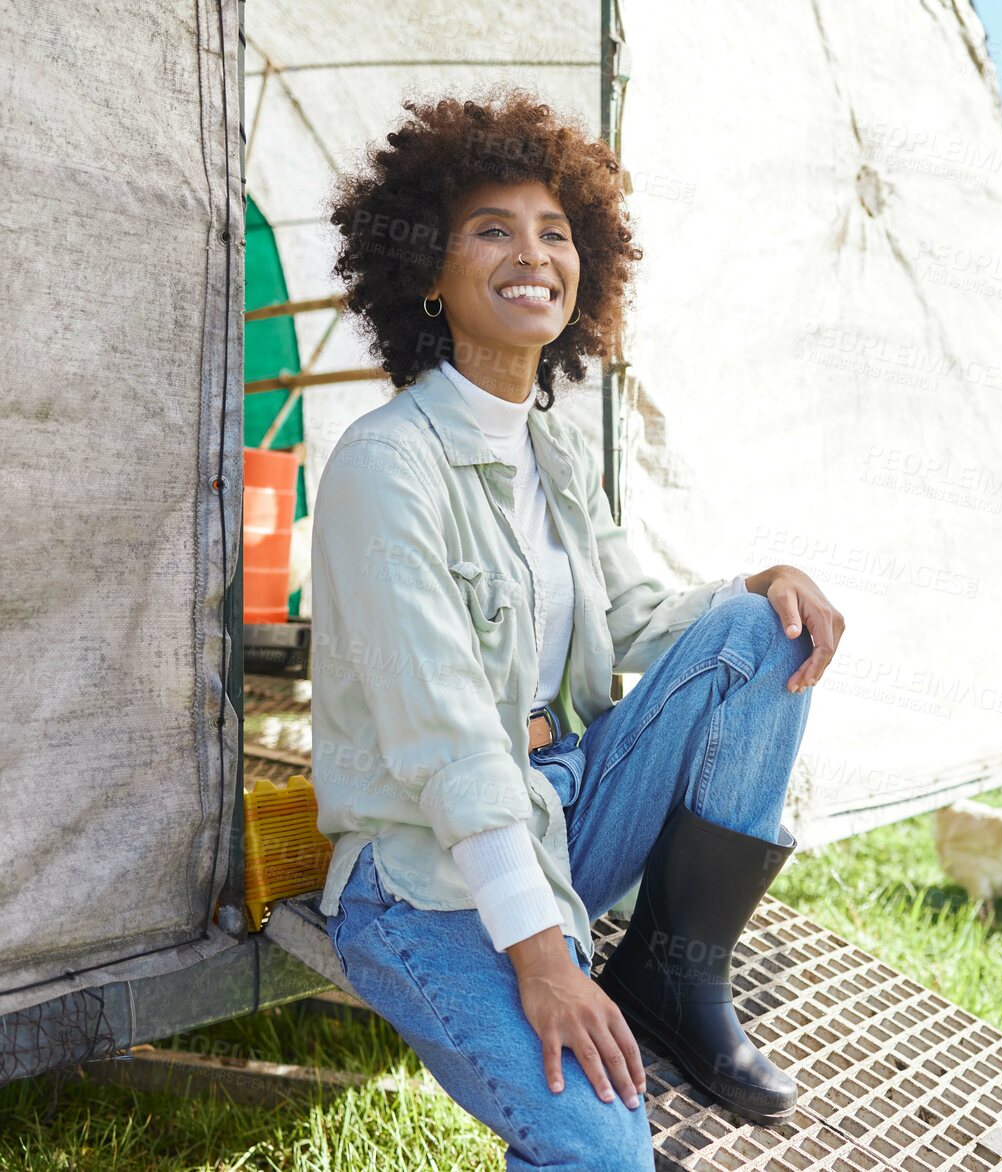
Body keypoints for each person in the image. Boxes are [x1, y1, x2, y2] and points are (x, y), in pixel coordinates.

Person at [309, 88, 844, 1171]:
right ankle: (586, 986)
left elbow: (642, 612)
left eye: (555, 230)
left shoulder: (552, 455)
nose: (533, 253)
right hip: (422, 874)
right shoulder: (385, 469)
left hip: (563, 815)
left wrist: (762, 580)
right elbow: (450, 742)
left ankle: (677, 970)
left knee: (762, 628)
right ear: (426, 272)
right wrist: (547, 962)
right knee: (601, 1148)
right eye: (491, 229)